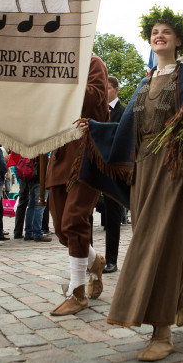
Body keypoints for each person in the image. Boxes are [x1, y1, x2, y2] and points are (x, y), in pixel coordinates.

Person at [76, 7, 183, 362]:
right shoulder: (143, 82)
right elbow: (126, 130)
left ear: (178, 40)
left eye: (166, 32)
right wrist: (93, 129)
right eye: (155, 32)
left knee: (162, 243)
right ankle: (177, 301)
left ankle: (162, 329)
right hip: (144, 171)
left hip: (174, 169)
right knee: (158, 238)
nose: (159, 36)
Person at [47, 54, 109, 317]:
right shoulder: (49, 66)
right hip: (59, 153)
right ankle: (96, 261)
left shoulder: (92, 62)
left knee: (74, 221)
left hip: (86, 153)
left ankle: (78, 292)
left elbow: (94, 98)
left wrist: (62, 77)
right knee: (63, 231)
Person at [103, 75, 126, 273]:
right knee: (85, 215)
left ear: (116, 89)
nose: (104, 91)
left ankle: (111, 259)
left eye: (107, 88)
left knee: (112, 217)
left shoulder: (123, 112)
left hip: (112, 171)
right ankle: (89, 256)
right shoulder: (96, 111)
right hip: (94, 169)